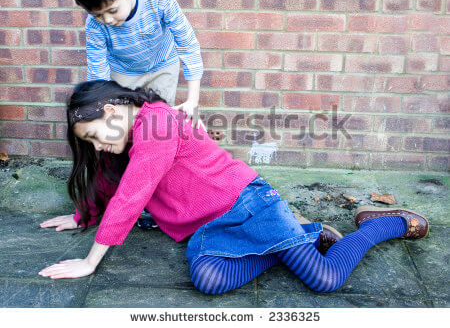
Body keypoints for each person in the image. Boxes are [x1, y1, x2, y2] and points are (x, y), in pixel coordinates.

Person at [39, 81, 429, 294]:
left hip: (248, 204)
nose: (96, 146)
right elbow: (112, 180)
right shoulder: (127, 135)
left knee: (325, 279)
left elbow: (132, 194)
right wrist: (83, 216)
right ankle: (303, 237)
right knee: (208, 280)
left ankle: (382, 225)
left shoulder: (157, 124)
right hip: (208, 226)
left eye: (93, 136)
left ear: (110, 111)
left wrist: (91, 262)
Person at [71, 0, 204, 124]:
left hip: (162, 67)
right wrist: (100, 108)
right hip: (122, 73)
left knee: (159, 125)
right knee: (126, 127)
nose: (107, 20)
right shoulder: (94, 24)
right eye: (98, 14)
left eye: (113, 10)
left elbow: (187, 45)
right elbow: (98, 71)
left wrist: (192, 101)